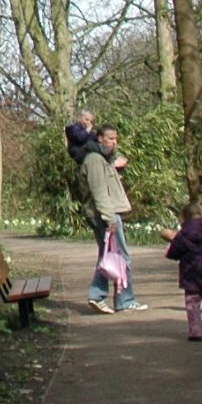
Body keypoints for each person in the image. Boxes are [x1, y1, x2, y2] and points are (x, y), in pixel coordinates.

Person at [78, 124, 144, 312]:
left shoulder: (103, 159)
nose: (114, 142)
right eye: (110, 138)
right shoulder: (95, 160)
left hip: (106, 213)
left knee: (109, 256)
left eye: (116, 139)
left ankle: (102, 296)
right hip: (104, 215)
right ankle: (121, 299)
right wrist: (110, 219)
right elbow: (99, 191)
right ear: (100, 138)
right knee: (121, 257)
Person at [164, 203, 202, 340]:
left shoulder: (183, 234)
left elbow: (174, 252)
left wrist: (171, 251)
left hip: (190, 272)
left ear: (184, 217)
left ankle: (196, 332)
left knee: (192, 303)